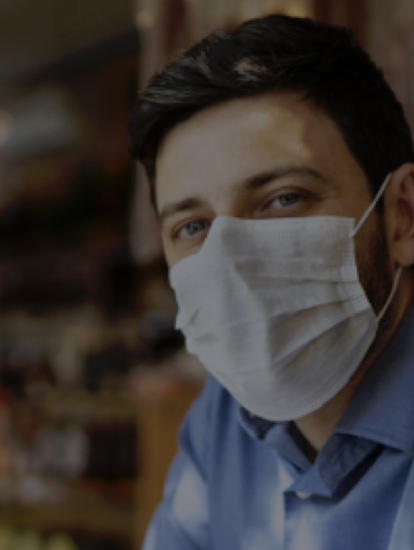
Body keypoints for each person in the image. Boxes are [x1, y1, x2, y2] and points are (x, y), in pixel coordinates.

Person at [129, 14, 414, 550]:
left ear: (402, 216)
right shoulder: (223, 420)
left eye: (283, 199)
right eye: (192, 227)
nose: (229, 264)